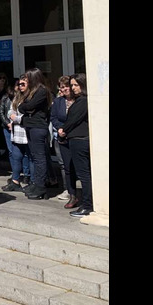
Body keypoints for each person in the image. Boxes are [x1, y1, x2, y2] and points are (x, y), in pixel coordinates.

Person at [16, 67, 52, 200]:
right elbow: (21, 106)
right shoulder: (32, 91)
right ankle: (36, 183)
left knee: (39, 157)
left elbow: (29, 106)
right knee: (34, 157)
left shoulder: (42, 91)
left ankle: (41, 186)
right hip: (30, 125)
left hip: (37, 127)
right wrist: (26, 108)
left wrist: (27, 108)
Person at [59, 74, 91, 218]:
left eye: (76, 85)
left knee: (84, 175)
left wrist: (63, 130)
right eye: (72, 85)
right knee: (84, 174)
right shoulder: (80, 101)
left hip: (80, 140)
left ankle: (87, 205)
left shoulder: (83, 101)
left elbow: (73, 119)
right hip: (76, 139)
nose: (73, 88)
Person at [50, 76, 77, 206]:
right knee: (64, 165)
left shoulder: (79, 100)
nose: (65, 89)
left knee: (81, 166)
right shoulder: (58, 101)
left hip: (77, 137)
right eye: (62, 87)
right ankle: (70, 191)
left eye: (66, 86)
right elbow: (53, 117)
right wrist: (59, 128)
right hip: (61, 137)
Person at [3, 75, 33, 192]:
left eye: (23, 84)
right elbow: (11, 110)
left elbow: (28, 115)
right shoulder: (17, 97)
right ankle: (15, 181)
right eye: (19, 84)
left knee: (30, 157)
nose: (20, 87)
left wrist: (16, 118)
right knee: (16, 157)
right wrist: (12, 116)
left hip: (27, 131)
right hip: (16, 132)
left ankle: (32, 181)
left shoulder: (32, 97)